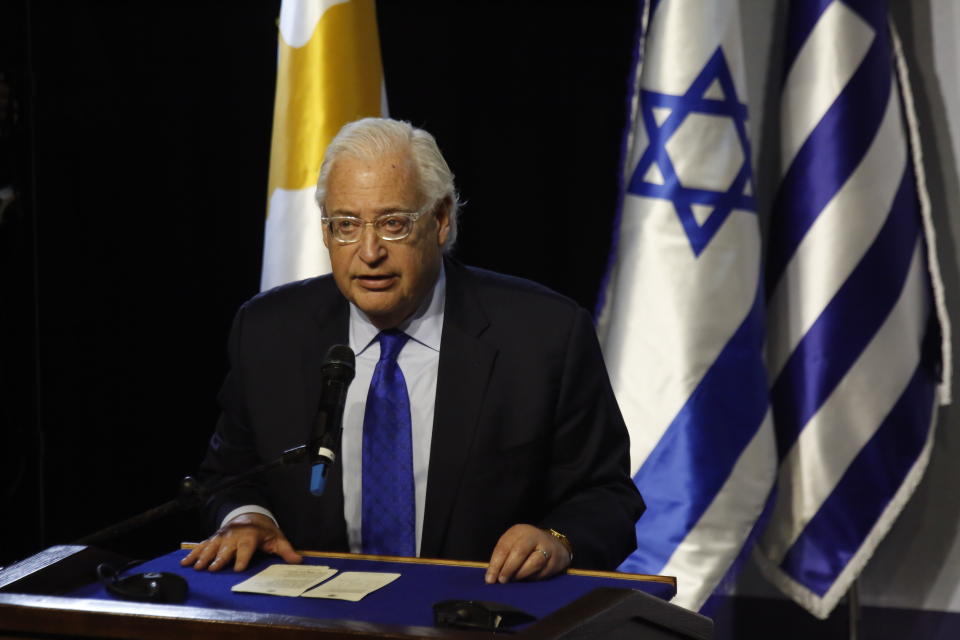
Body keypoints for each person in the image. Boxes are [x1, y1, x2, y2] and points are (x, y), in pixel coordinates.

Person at [182, 118, 643, 584]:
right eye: (345, 225)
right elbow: (230, 475)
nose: (369, 250)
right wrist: (247, 517)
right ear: (325, 232)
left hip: (481, 615)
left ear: (440, 220)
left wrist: (557, 538)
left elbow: (606, 495)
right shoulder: (268, 332)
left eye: (393, 223)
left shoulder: (543, 335)